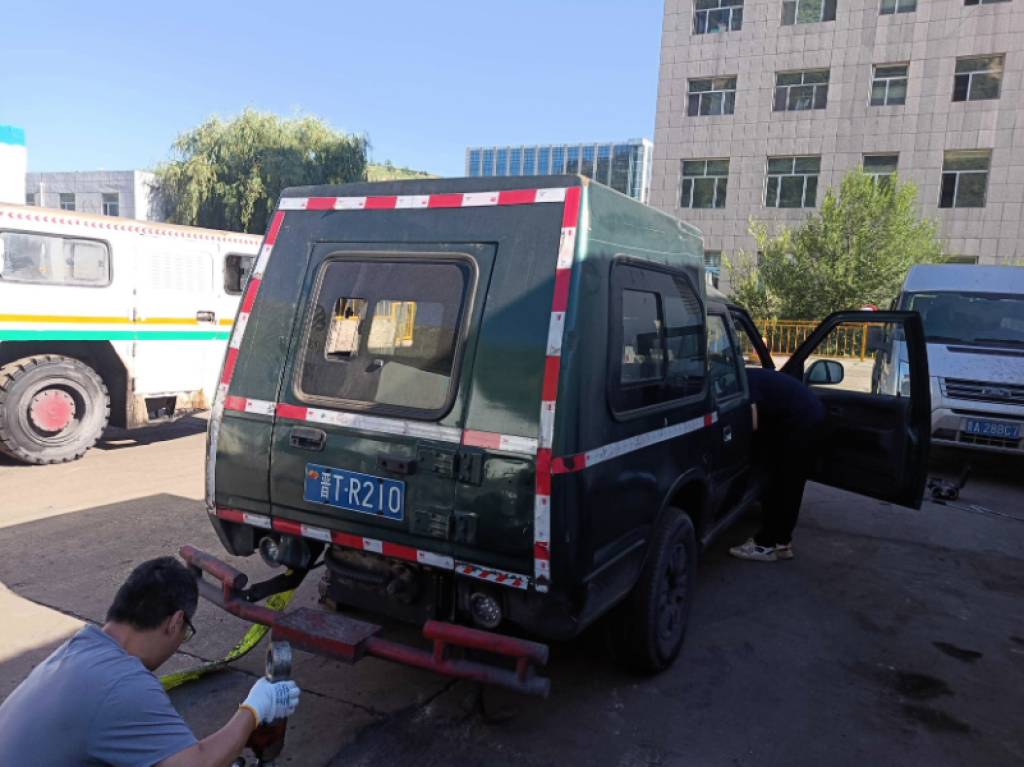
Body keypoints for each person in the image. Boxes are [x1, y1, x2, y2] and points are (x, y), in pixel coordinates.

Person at [0, 556, 300, 766]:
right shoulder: (124, 683)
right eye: (185, 632)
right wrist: (255, 708)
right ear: (175, 622)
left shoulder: (80, 649)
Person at [729, 367, 825, 562]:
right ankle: (783, 543)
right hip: (813, 418)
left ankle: (765, 545)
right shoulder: (751, 376)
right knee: (792, 486)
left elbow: (752, 424)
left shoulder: (744, 384)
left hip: (799, 425)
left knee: (777, 486)